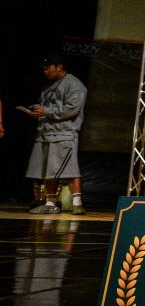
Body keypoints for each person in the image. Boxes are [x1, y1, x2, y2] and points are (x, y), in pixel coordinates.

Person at [26, 55, 88, 215]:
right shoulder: (48, 86)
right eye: (44, 69)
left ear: (59, 67)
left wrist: (46, 111)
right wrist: (37, 110)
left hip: (64, 133)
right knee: (47, 169)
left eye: (48, 68)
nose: (45, 71)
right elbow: (47, 106)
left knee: (70, 169)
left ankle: (77, 204)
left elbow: (72, 108)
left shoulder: (74, 84)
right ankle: (50, 203)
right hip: (46, 132)